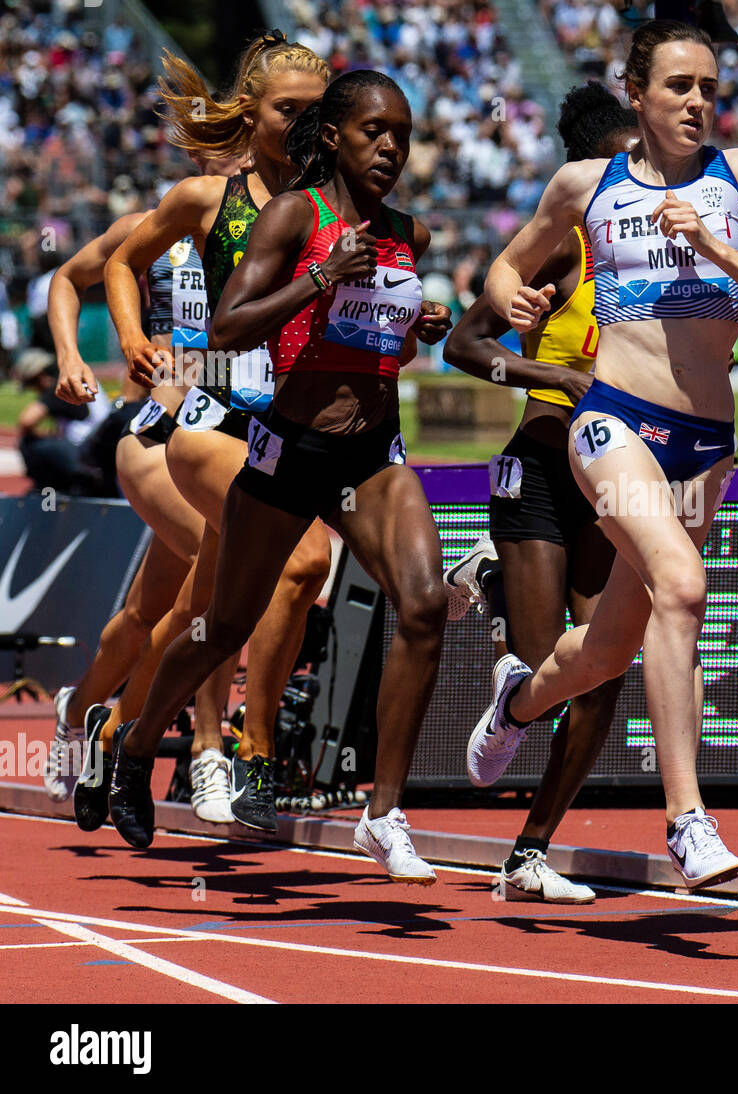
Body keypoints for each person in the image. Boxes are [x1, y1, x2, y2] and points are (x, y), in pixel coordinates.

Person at [467, 20, 738, 890]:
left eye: (707, 86)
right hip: (612, 420)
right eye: (677, 87)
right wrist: (514, 299)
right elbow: (502, 273)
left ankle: (515, 702)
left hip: (707, 444)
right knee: (684, 585)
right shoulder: (586, 184)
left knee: (609, 650)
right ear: (636, 93)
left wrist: (713, 246)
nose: (697, 101)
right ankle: (687, 821)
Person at [109, 71, 455, 884]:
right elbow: (229, 325)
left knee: (428, 603)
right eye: (374, 131)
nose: (391, 149)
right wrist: (322, 274)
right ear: (333, 137)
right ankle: (135, 742)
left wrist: (420, 328)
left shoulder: (411, 232)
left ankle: (385, 813)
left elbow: (388, 345)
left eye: (402, 134)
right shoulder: (294, 216)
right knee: (222, 628)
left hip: (371, 452)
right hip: (285, 447)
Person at [90, 32, 332, 836]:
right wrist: (133, 340)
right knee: (303, 563)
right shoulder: (207, 199)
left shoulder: (340, 203)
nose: (302, 126)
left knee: (210, 618)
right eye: (286, 111)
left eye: (315, 113)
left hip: (298, 423)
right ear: (253, 114)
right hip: (209, 422)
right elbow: (121, 263)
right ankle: (245, 753)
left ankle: (126, 744)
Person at [442, 82, 638, 903]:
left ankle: (528, 854)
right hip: (542, 472)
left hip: (616, 482)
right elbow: (463, 344)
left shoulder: (670, 256)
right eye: (635, 159)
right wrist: (550, 373)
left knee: (601, 671)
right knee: (534, 660)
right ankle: (492, 580)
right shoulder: (565, 249)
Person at [42, 162, 246, 823]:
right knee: (220, 579)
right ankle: (207, 751)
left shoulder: (269, 234)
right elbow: (67, 279)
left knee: (144, 619)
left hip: (222, 438)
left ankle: (82, 714)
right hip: (152, 435)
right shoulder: (152, 231)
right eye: (226, 155)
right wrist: (71, 358)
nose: (236, 170)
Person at [13, 349, 111, 495]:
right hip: (101, 445)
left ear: (39, 377)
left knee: (29, 443)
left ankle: (51, 487)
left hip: (89, 452)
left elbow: (26, 421)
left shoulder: (61, 385)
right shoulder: (77, 378)